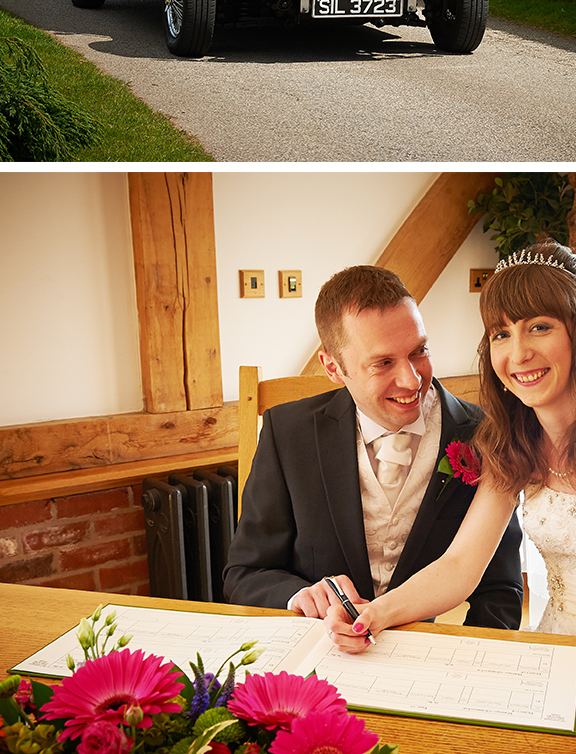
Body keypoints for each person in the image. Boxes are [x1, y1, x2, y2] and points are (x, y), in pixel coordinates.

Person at [329, 240, 576, 650]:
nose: (518, 353)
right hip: (552, 649)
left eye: (539, 326)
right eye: (501, 334)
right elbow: (459, 566)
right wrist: (375, 614)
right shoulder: (514, 444)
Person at [223, 264, 524, 630]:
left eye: (419, 351)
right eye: (383, 363)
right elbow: (246, 573)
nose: (411, 380)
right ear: (333, 368)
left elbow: (500, 590)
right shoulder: (287, 434)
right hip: (319, 651)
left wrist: (465, 665)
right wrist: (295, 595)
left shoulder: (485, 436)